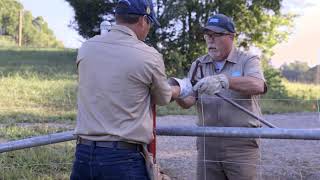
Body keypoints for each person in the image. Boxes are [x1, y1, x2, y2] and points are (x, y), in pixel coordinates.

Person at [70, 0, 182, 179]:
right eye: (150, 23)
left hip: (84, 155)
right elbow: (163, 97)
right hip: (123, 159)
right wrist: (178, 89)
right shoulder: (148, 55)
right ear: (143, 20)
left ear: (118, 17)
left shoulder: (87, 48)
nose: (149, 29)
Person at [175, 14, 267, 180]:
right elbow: (189, 101)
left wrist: (225, 80)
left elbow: (258, 85)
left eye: (216, 35)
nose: (210, 40)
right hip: (207, 142)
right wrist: (177, 92)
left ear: (231, 37)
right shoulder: (199, 65)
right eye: (207, 35)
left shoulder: (247, 60)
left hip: (241, 144)